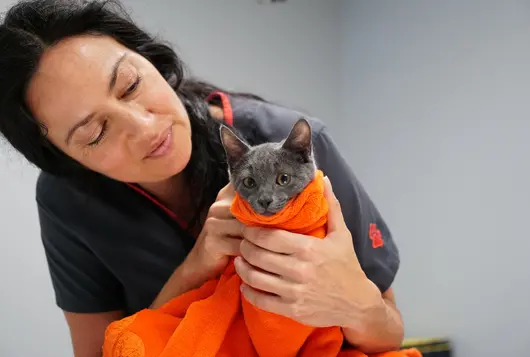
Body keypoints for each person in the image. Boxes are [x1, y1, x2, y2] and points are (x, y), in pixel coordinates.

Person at [0, 1, 404, 356]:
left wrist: (351, 302)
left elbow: (390, 334)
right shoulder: (68, 201)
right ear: (65, 160)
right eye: (95, 134)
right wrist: (192, 271)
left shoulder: (290, 143)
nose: (144, 127)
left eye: (131, 85)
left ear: (150, 59)